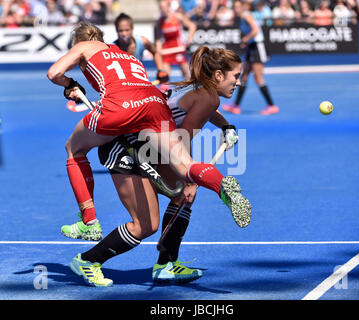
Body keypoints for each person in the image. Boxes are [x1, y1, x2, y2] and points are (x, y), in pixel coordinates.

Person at [47, 22, 251, 287]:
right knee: (153, 216)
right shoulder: (201, 94)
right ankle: (90, 259)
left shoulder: (197, 89)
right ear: (218, 75)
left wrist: (224, 126)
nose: (239, 82)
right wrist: (189, 172)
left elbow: (59, 74)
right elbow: (183, 136)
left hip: (139, 135)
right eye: (236, 76)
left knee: (167, 207)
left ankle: (154, 257)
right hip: (131, 142)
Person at [223, 0, 278, 116]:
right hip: (252, 47)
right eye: (235, 7)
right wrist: (247, 43)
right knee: (244, 77)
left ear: (243, 7)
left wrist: (245, 39)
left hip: (258, 47)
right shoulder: (243, 17)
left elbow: (256, 30)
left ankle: (272, 106)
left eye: (238, 7)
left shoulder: (246, 15)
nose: (236, 9)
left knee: (258, 78)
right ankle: (236, 106)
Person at [155, 0, 196, 83]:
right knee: (164, 76)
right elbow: (158, 38)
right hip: (167, 49)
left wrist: (189, 40)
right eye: (161, 8)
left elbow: (192, 26)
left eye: (164, 7)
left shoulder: (177, 16)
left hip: (178, 48)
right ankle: (164, 94)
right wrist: (158, 50)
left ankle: (191, 93)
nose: (163, 9)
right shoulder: (160, 21)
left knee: (186, 74)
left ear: (169, 7)